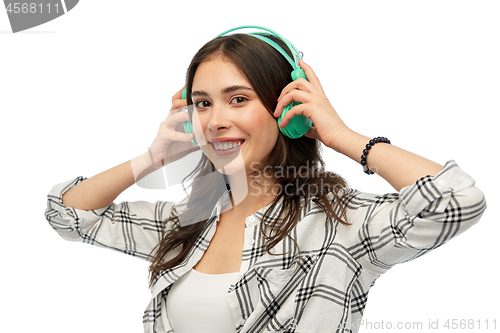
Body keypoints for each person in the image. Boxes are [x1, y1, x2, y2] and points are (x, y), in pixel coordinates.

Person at [45, 26, 486, 333]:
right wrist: (152, 158)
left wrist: (341, 135)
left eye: (238, 99)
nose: (216, 120)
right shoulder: (184, 223)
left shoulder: (340, 227)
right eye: (203, 103)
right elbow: (67, 214)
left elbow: (456, 199)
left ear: (285, 108)